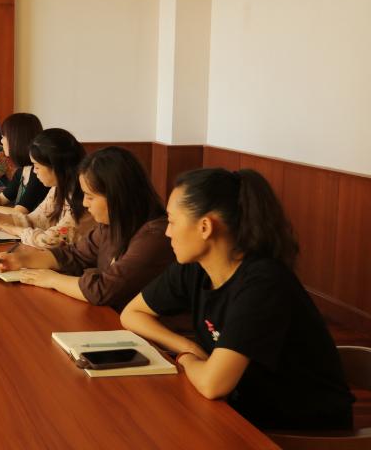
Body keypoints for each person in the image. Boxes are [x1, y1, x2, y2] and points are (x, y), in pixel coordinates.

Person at [120, 168, 354, 431]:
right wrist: (188, 346)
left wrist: (185, 358)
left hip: (299, 429)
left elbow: (213, 385)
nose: (167, 232)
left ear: (205, 227)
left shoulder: (263, 283)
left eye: (172, 222)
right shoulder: (195, 268)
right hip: (241, 409)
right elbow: (132, 314)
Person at [0, 146, 173, 310]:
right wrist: (21, 260)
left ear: (117, 195)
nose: (85, 203)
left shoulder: (154, 235)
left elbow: (103, 289)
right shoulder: (110, 225)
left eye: (90, 196)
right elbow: (74, 255)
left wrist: (52, 279)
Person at [0, 127, 95, 247]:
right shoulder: (58, 189)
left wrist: (15, 230)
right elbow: (34, 220)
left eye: (37, 166)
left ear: (55, 166)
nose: (35, 171)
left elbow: (51, 241)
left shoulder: (84, 197)